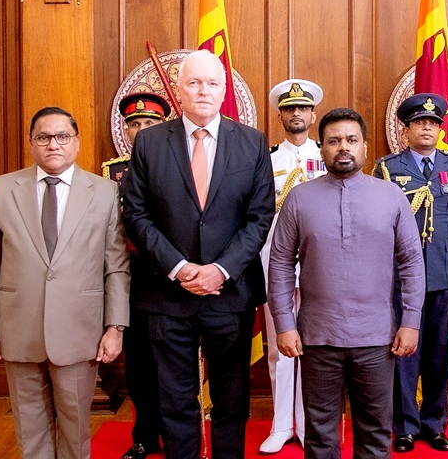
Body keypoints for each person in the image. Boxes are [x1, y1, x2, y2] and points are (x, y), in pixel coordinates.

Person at [121, 49, 275, 459]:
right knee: (174, 400)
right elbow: (135, 214)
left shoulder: (252, 143)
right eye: (194, 83)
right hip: (166, 293)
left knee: (231, 398)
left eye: (212, 83)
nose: (203, 91)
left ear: (224, 91)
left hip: (230, 293)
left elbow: (260, 217)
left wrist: (221, 269)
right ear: (179, 91)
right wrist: (179, 267)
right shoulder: (150, 143)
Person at [0, 106, 130, 459]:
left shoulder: (104, 192)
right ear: (31, 143)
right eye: (43, 137)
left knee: (75, 428)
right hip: (18, 328)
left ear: (76, 142)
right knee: (30, 429)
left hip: (79, 331)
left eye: (62, 137)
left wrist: (115, 327)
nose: (53, 144)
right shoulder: (3, 188)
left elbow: (116, 267)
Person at [268, 107, 426, 459]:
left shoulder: (391, 196)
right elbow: (279, 264)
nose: (343, 147)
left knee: (375, 433)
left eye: (351, 140)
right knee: (320, 434)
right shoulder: (299, 198)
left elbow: (412, 262)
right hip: (317, 338)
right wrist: (284, 324)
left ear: (365, 147)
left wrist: (411, 322)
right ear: (321, 148)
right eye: (334, 141)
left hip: (377, 338)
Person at [373, 93, 448, 453]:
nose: (427, 128)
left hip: (445, 274)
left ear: (440, 129)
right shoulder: (387, 168)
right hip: (402, 276)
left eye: (433, 123)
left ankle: (435, 424)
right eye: (419, 123)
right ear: (406, 130)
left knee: (439, 354)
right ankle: (404, 427)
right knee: (404, 352)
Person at [102, 92, 171, 459]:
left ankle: (178, 434)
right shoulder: (112, 173)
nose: (142, 130)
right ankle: (144, 434)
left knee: (175, 361)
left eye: (150, 123)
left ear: (164, 126)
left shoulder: (182, 164)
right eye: (135, 124)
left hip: (173, 276)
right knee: (140, 363)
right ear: (125, 131)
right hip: (132, 276)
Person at [259, 79, 325, 455]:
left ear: (313, 115)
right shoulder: (265, 160)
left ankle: (309, 423)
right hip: (276, 262)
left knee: (316, 347)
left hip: (321, 263)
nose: (296, 113)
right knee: (280, 345)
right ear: (280, 116)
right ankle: (282, 424)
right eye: (289, 109)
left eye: (302, 108)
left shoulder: (327, 155)